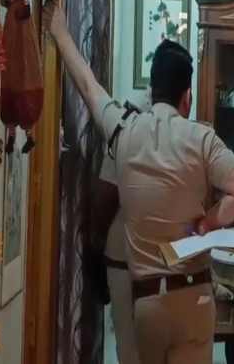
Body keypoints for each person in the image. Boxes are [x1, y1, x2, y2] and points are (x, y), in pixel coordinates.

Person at [44, 1, 234, 364]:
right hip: (194, 297)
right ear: (187, 96)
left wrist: (60, 31)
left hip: (147, 301)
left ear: (152, 88)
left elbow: (89, 88)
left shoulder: (122, 131)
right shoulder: (201, 138)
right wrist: (209, 222)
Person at [98, 153, 140, 364]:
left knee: (128, 341)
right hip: (135, 256)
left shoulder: (121, 140)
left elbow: (106, 198)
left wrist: (96, 243)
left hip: (124, 254)